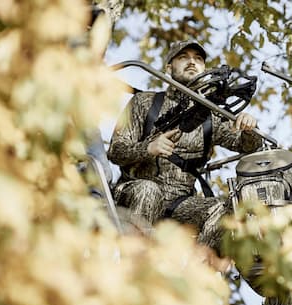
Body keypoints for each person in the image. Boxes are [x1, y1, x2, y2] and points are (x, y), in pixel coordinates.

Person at [107, 40, 262, 244]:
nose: (192, 62)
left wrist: (249, 129)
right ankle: (137, 267)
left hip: (180, 202)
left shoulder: (211, 115)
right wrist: (148, 148)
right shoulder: (145, 101)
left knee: (226, 209)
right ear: (168, 67)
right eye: (183, 57)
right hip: (135, 193)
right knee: (149, 191)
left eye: (198, 59)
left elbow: (247, 146)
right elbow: (116, 151)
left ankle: (197, 270)